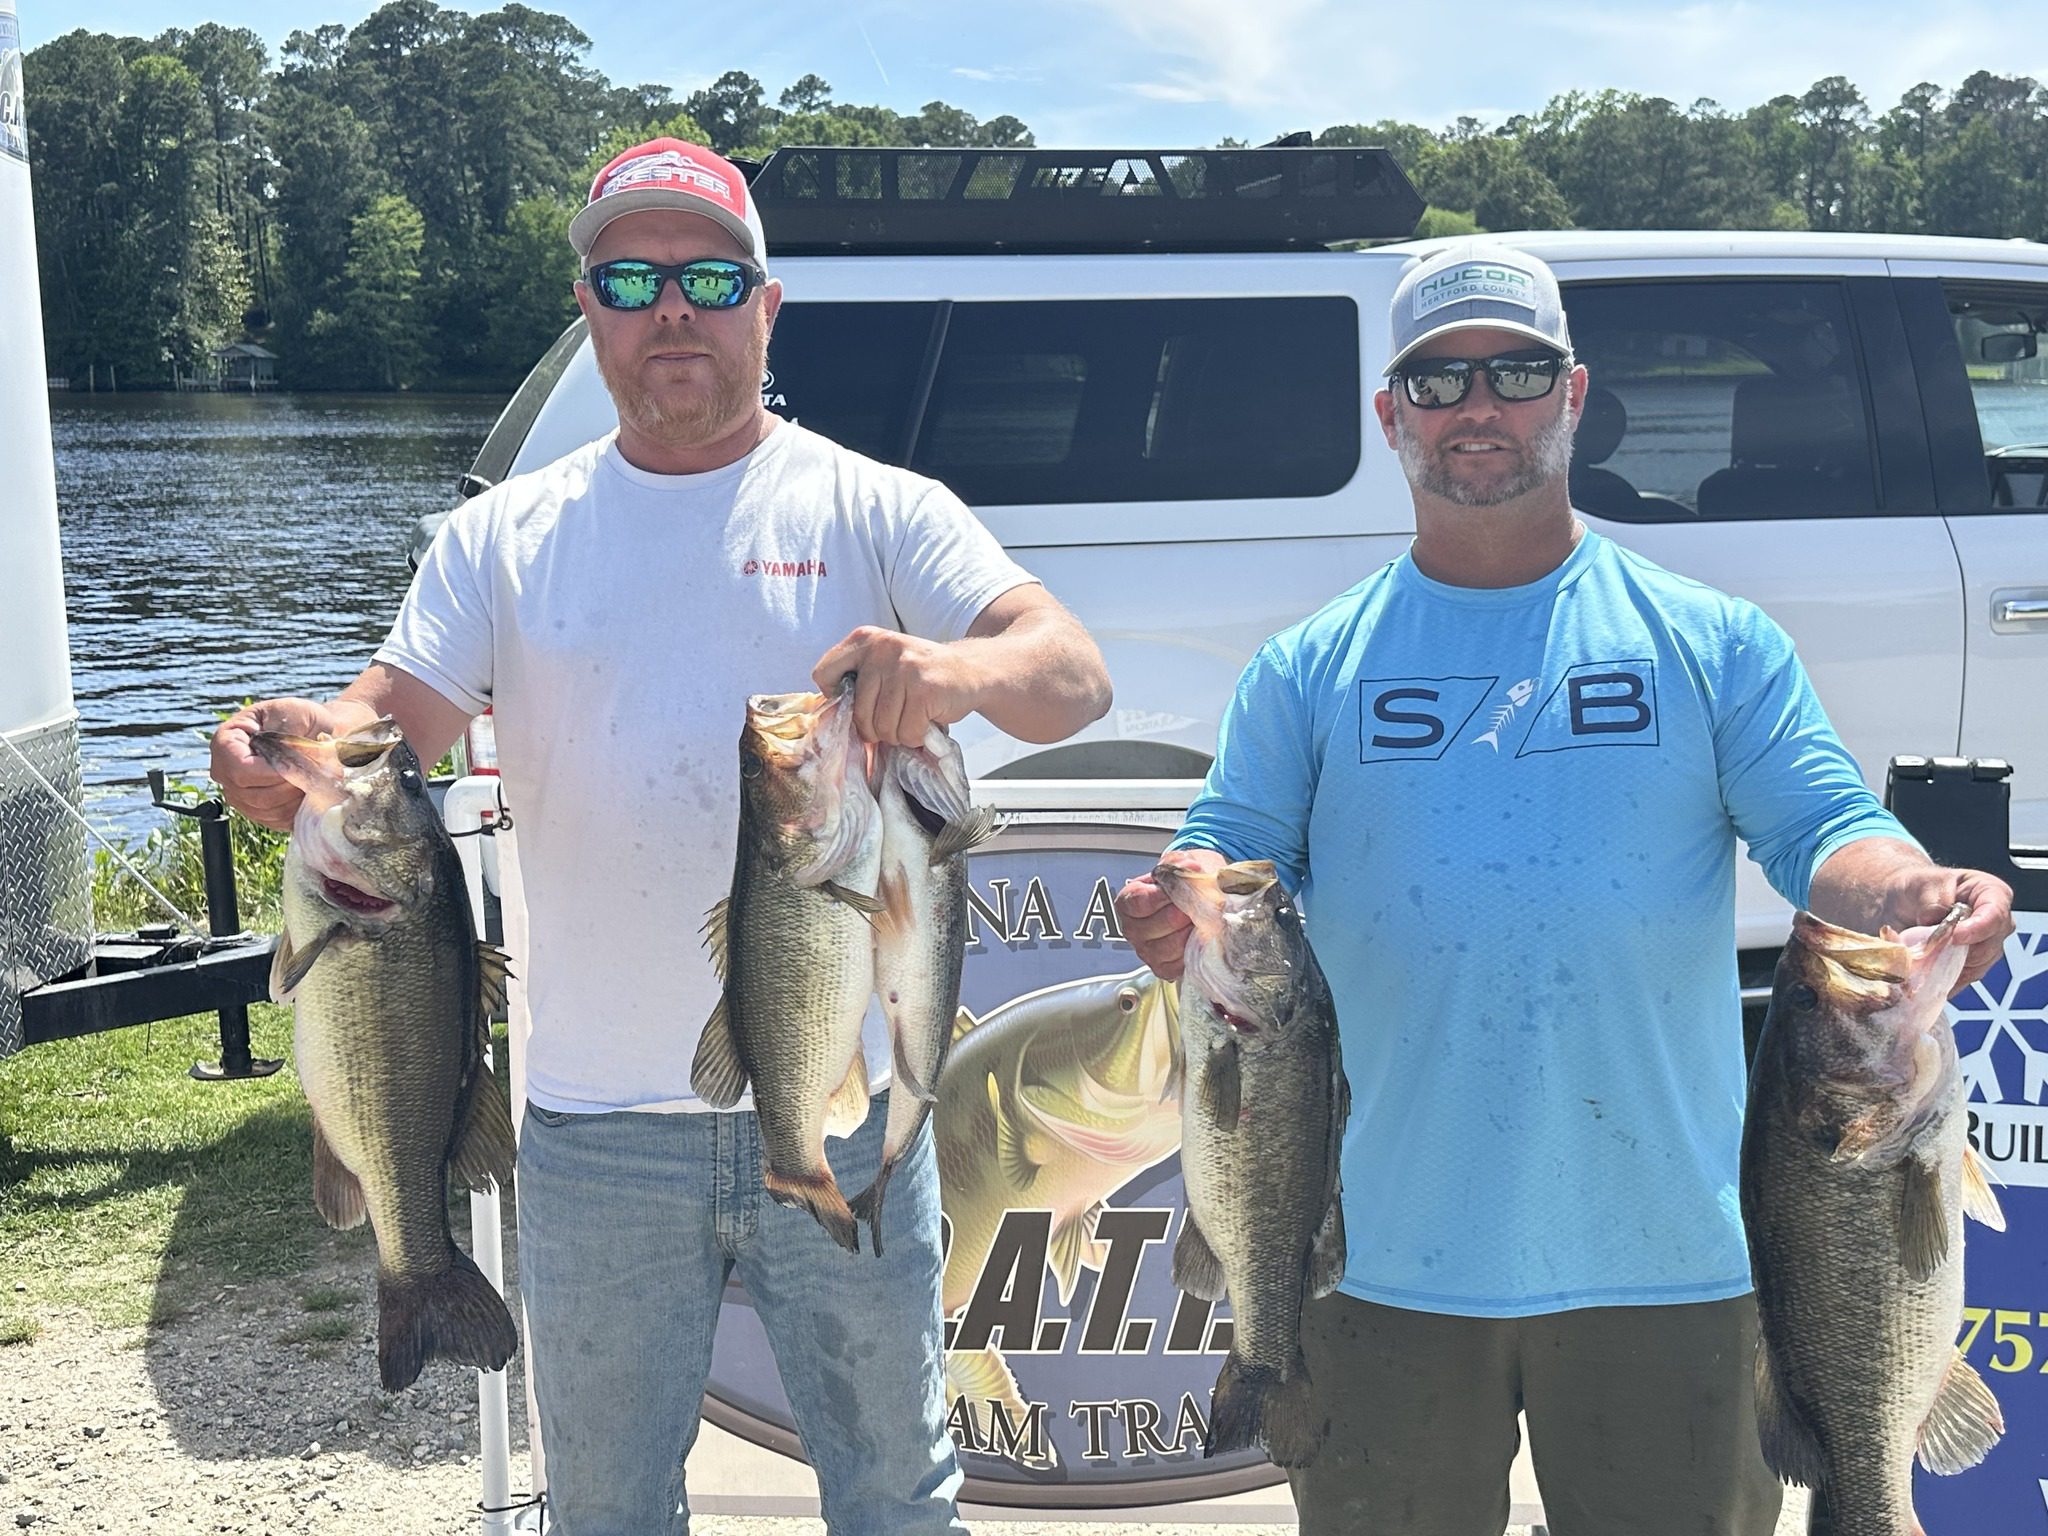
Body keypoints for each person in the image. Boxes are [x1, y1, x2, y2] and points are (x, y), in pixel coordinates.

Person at [211, 138, 1112, 1536]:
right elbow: (392, 718)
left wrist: (957, 671)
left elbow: (1070, 675)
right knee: (610, 1510)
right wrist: (289, 751)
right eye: (631, 280)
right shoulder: (504, 536)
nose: (672, 309)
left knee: (897, 1493)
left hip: (840, 1112)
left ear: (767, 307)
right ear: (590, 309)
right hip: (591, 1132)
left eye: (710, 278)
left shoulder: (879, 508)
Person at [1114, 241, 2015, 1536]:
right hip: (1374, 1259)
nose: (1478, 406)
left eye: (1518, 372)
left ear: (1576, 394)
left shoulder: (1713, 641)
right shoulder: (1306, 668)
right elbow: (1227, 849)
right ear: (1391, 415)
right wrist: (1176, 900)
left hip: (1673, 1258)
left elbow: (1826, 828)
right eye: (1440, 382)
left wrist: (1911, 893)